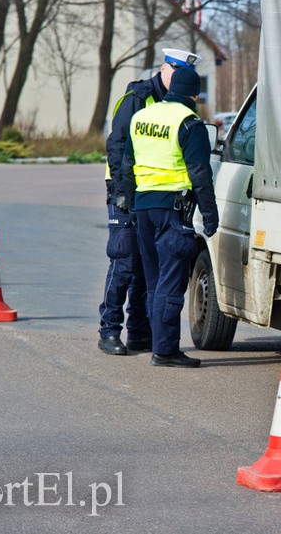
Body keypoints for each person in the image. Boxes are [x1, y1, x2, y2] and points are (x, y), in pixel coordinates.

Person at [98, 48, 199, 356]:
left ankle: (140, 333)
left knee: (147, 265)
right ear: (163, 68)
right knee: (125, 260)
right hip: (125, 191)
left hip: (152, 196)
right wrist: (122, 193)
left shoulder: (178, 103)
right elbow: (117, 147)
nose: (178, 77)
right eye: (175, 70)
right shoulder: (137, 99)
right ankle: (109, 330)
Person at [120, 67, 218, 368]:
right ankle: (165, 351)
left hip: (143, 208)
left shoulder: (142, 118)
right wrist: (210, 216)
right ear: (194, 96)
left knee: (154, 281)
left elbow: (127, 164)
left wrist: (130, 203)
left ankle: (157, 343)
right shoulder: (189, 124)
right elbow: (200, 175)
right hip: (172, 212)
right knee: (171, 283)